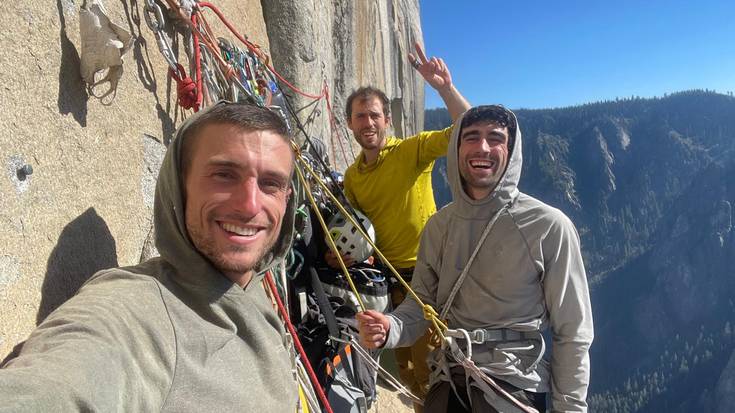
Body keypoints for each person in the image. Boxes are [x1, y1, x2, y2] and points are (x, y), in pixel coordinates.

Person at [0, 102, 299, 412]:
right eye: (224, 175)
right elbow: (50, 390)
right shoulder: (137, 310)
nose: (250, 206)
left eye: (270, 184)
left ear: (286, 199)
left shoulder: (250, 293)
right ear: (179, 186)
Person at [357, 105, 594, 412]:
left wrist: (571, 409)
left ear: (510, 151)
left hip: (511, 385)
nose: (483, 147)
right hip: (449, 377)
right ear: (456, 149)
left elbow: (572, 331)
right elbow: (420, 305)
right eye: (471, 137)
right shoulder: (439, 227)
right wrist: (390, 328)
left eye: (495, 138)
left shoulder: (548, 226)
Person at [325, 43, 470, 410]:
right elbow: (360, 229)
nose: (368, 123)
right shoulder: (354, 178)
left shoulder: (411, 151)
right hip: (389, 284)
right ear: (350, 124)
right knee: (407, 367)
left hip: (428, 277)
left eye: (374, 115)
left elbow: (465, 130)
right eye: (360, 116)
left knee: (435, 365)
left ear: (387, 119)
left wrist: (445, 89)